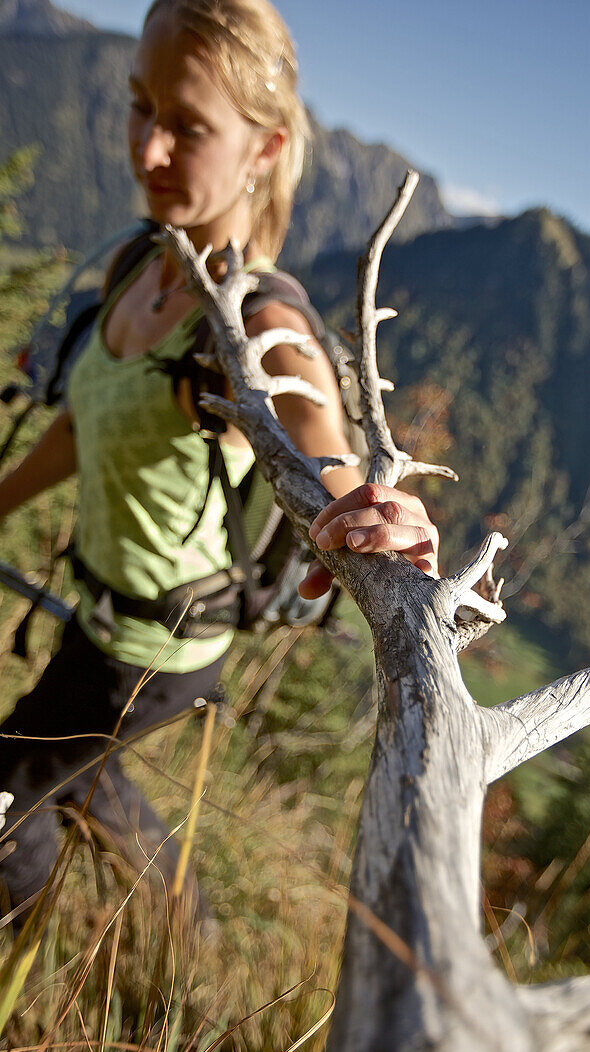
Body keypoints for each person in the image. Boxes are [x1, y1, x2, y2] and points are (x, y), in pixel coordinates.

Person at [0, 0, 439, 927]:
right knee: (82, 768)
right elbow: (80, 431)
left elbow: (325, 445)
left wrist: (371, 507)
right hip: (102, 611)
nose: (148, 149)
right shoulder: (137, 265)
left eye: (188, 125)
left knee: (5, 795)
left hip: (155, 651)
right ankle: (185, 925)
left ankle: (21, 946)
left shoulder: (255, 324)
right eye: (138, 104)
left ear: (266, 148)